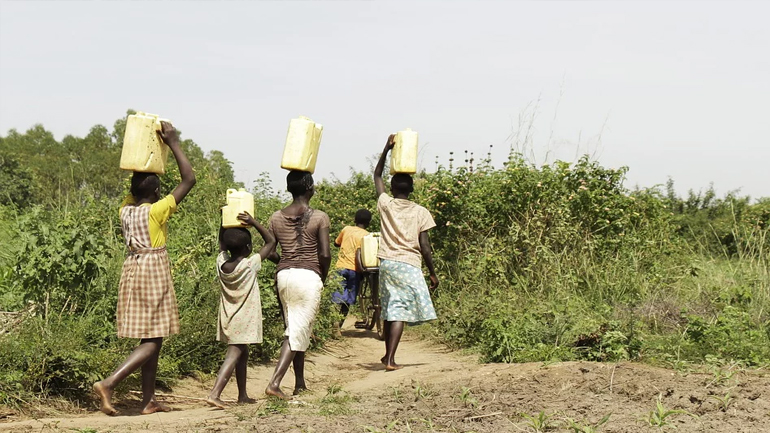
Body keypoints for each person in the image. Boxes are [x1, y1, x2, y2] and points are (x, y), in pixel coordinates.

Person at [93, 121, 196, 416]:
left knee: (150, 337)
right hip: (153, 270)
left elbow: (135, 187)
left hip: (132, 269)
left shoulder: (125, 209)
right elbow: (189, 179)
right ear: (158, 189)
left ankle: (148, 400)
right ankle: (109, 383)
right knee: (154, 339)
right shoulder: (157, 211)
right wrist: (173, 142)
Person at [373, 134, 439, 371]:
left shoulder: (386, 204)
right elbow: (425, 246)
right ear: (412, 189)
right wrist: (432, 272)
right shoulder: (421, 212)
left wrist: (387, 148)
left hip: (387, 263)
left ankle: (385, 356)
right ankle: (391, 360)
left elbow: (377, 174)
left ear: (391, 188)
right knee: (399, 310)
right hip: (409, 264)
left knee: (391, 307)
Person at [265, 170, 331, 400]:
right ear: (310, 188)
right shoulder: (320, 217)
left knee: (296, 327)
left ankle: (299, 383)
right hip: (308, 277)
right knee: (296, 330)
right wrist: (323, 274)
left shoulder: (275, 217)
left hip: (284, 276)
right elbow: (324, 253)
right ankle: (274, 383)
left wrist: (285, 261)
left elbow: (271, 250)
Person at [206, 212, 276, 409]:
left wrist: (224, 221)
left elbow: (221, 245)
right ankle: (215, 393)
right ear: (248, 247)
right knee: (234, 354)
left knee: (242, 354)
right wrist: (253, 222)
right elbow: (270, 241)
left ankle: (242, 395)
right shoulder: (249, 264)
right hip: (244, 319)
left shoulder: (222, 264)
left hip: (229, 317)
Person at [331, 209, 371, 327]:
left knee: (336, 298)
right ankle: (340, 323)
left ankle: (334, 322)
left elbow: (336, 243)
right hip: (355, 270)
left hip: (340, 267)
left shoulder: (346, 229)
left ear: (354, 220)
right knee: (348, 300)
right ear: (368, 222)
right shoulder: (366, 235)